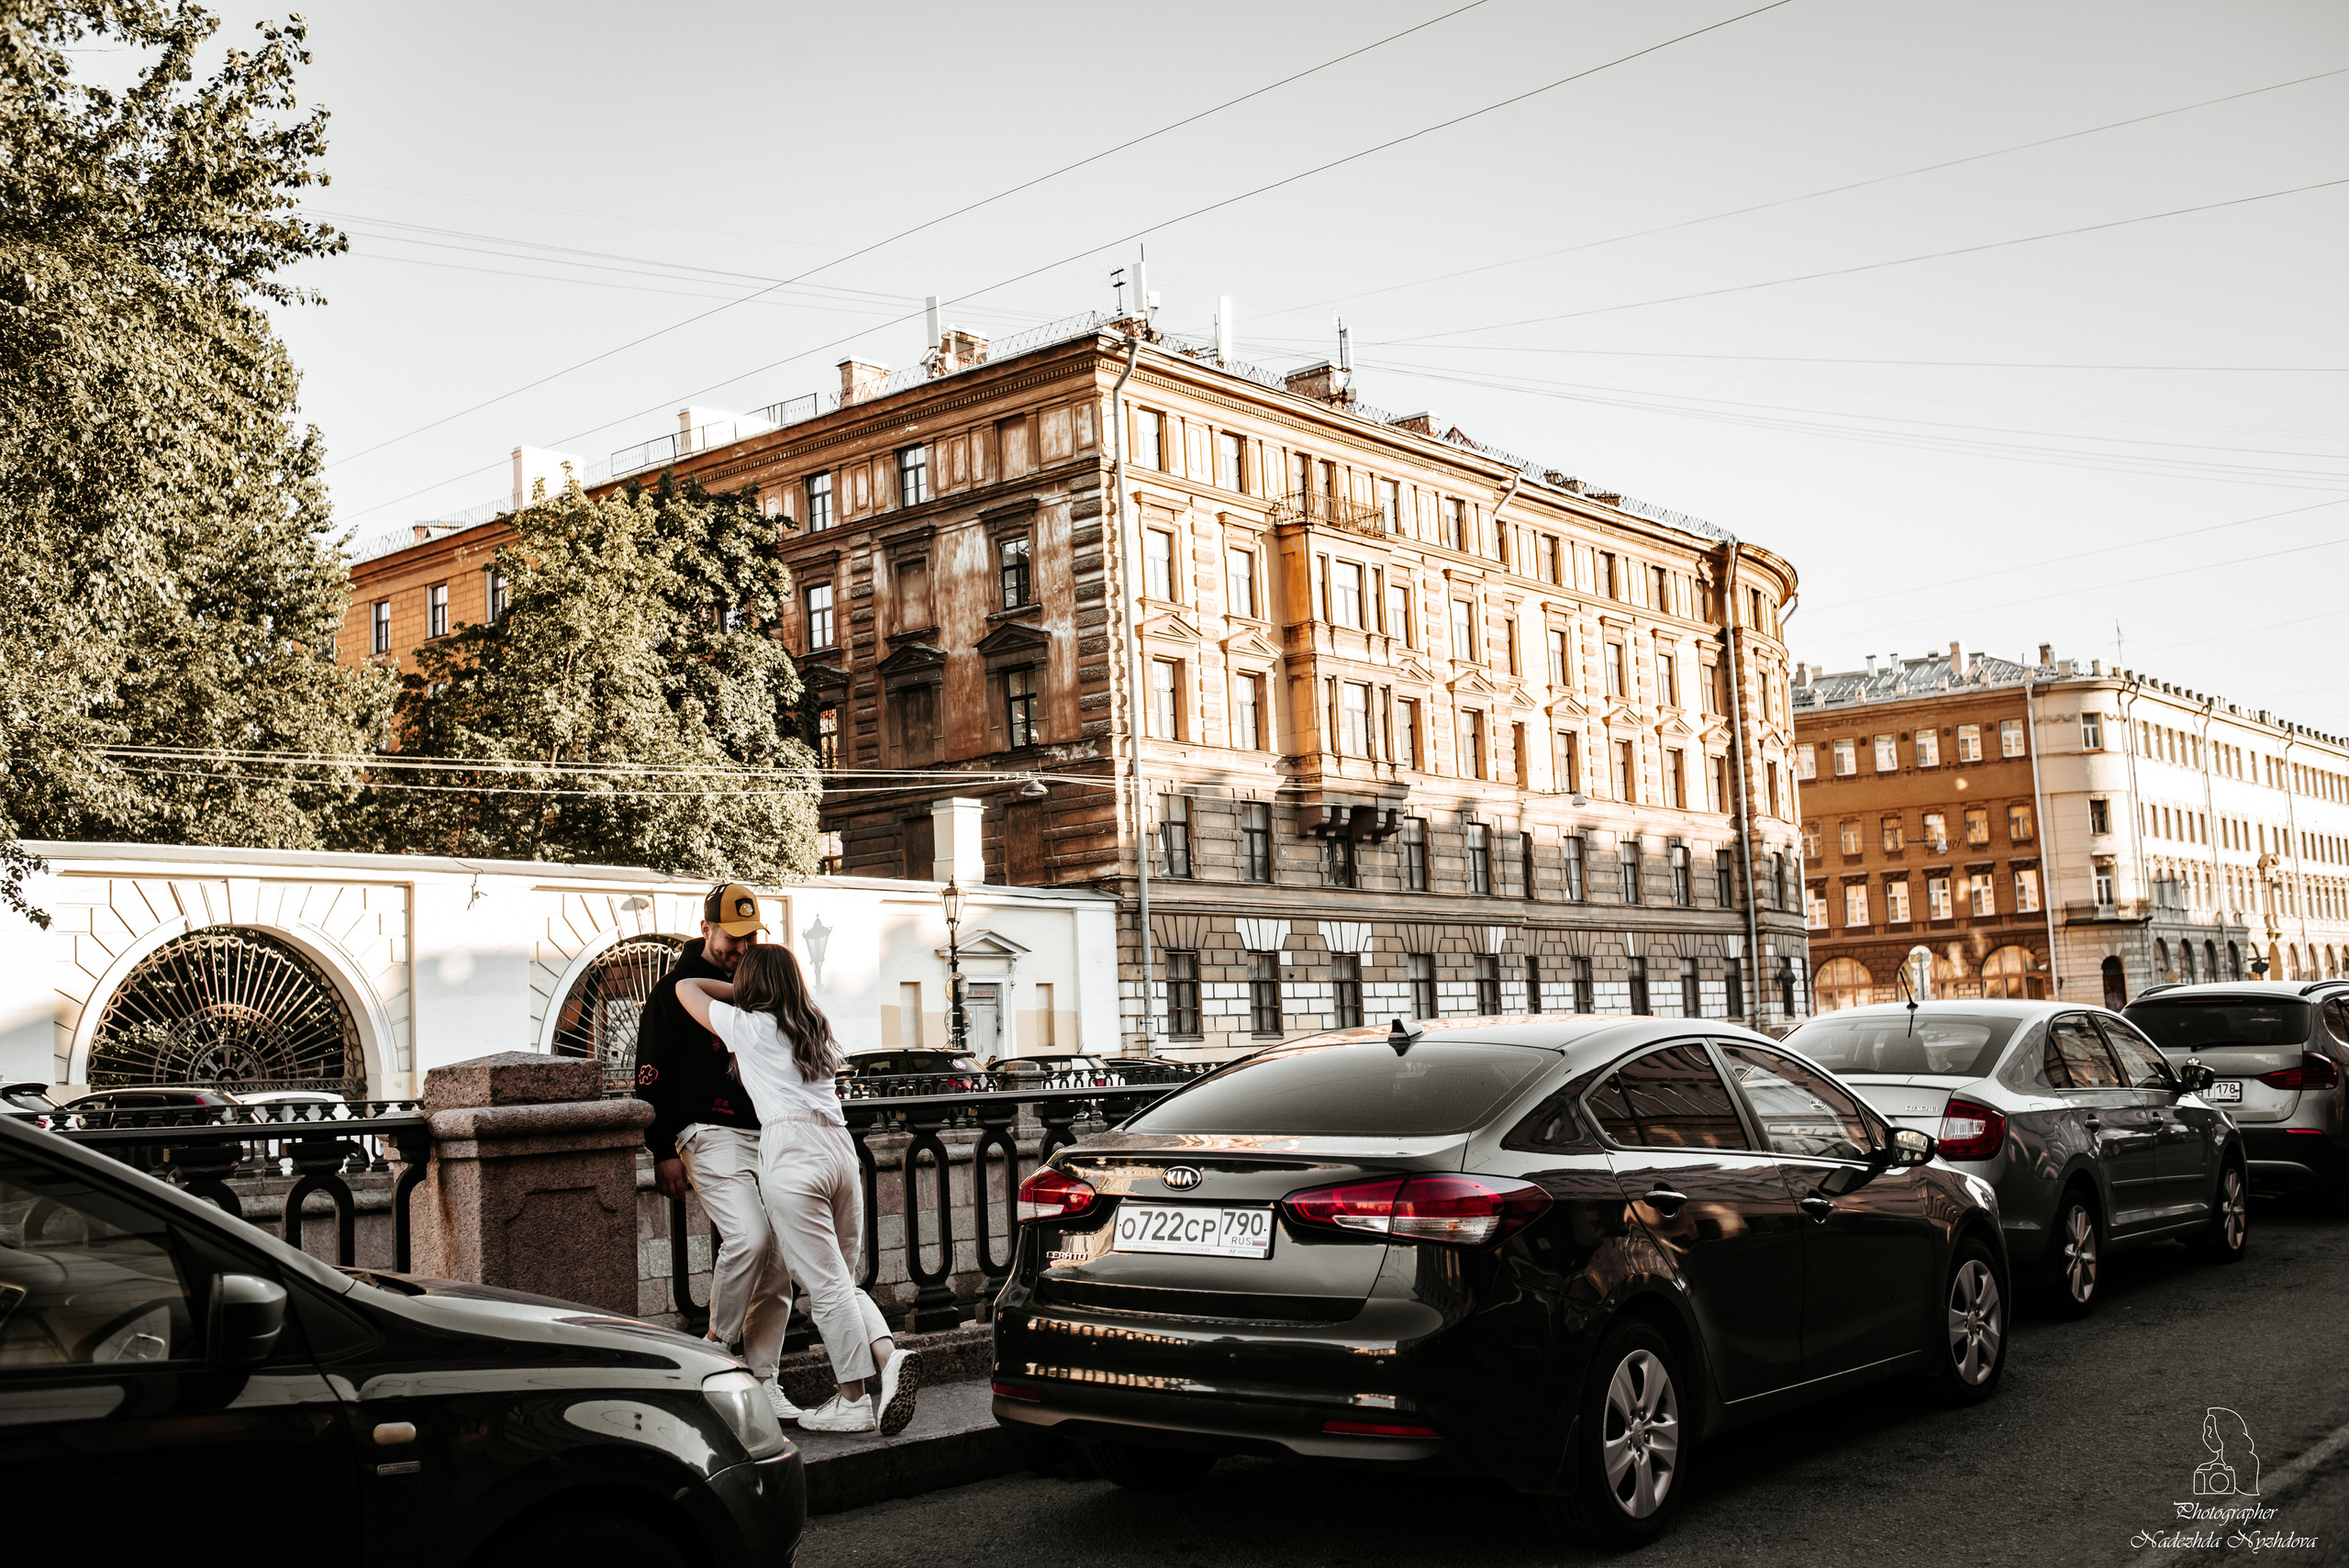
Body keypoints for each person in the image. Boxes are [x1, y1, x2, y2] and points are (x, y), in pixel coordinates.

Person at [676, 944, 921, 1435]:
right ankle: (888, 1355)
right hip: (840, 1149)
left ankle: (853, 1400)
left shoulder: (749, 1026)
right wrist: (783, 992)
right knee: (842, 1279)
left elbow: (685, 987)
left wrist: (741, 994)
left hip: (792, 1151)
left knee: (825, 1285)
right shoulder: (814, 1026)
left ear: (752, 985)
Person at [633, 882, 798, 1419]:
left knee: (779, 1257)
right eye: (732, 937)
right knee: (750, 1237)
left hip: (766, 1134)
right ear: (706, 928)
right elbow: (650, 1074)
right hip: (706, 1131)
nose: (742, 948)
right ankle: (715, 1349)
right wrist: (661, 1148)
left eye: (751, 938)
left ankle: (765, 1378)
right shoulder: (672, 991)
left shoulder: (756, 986)